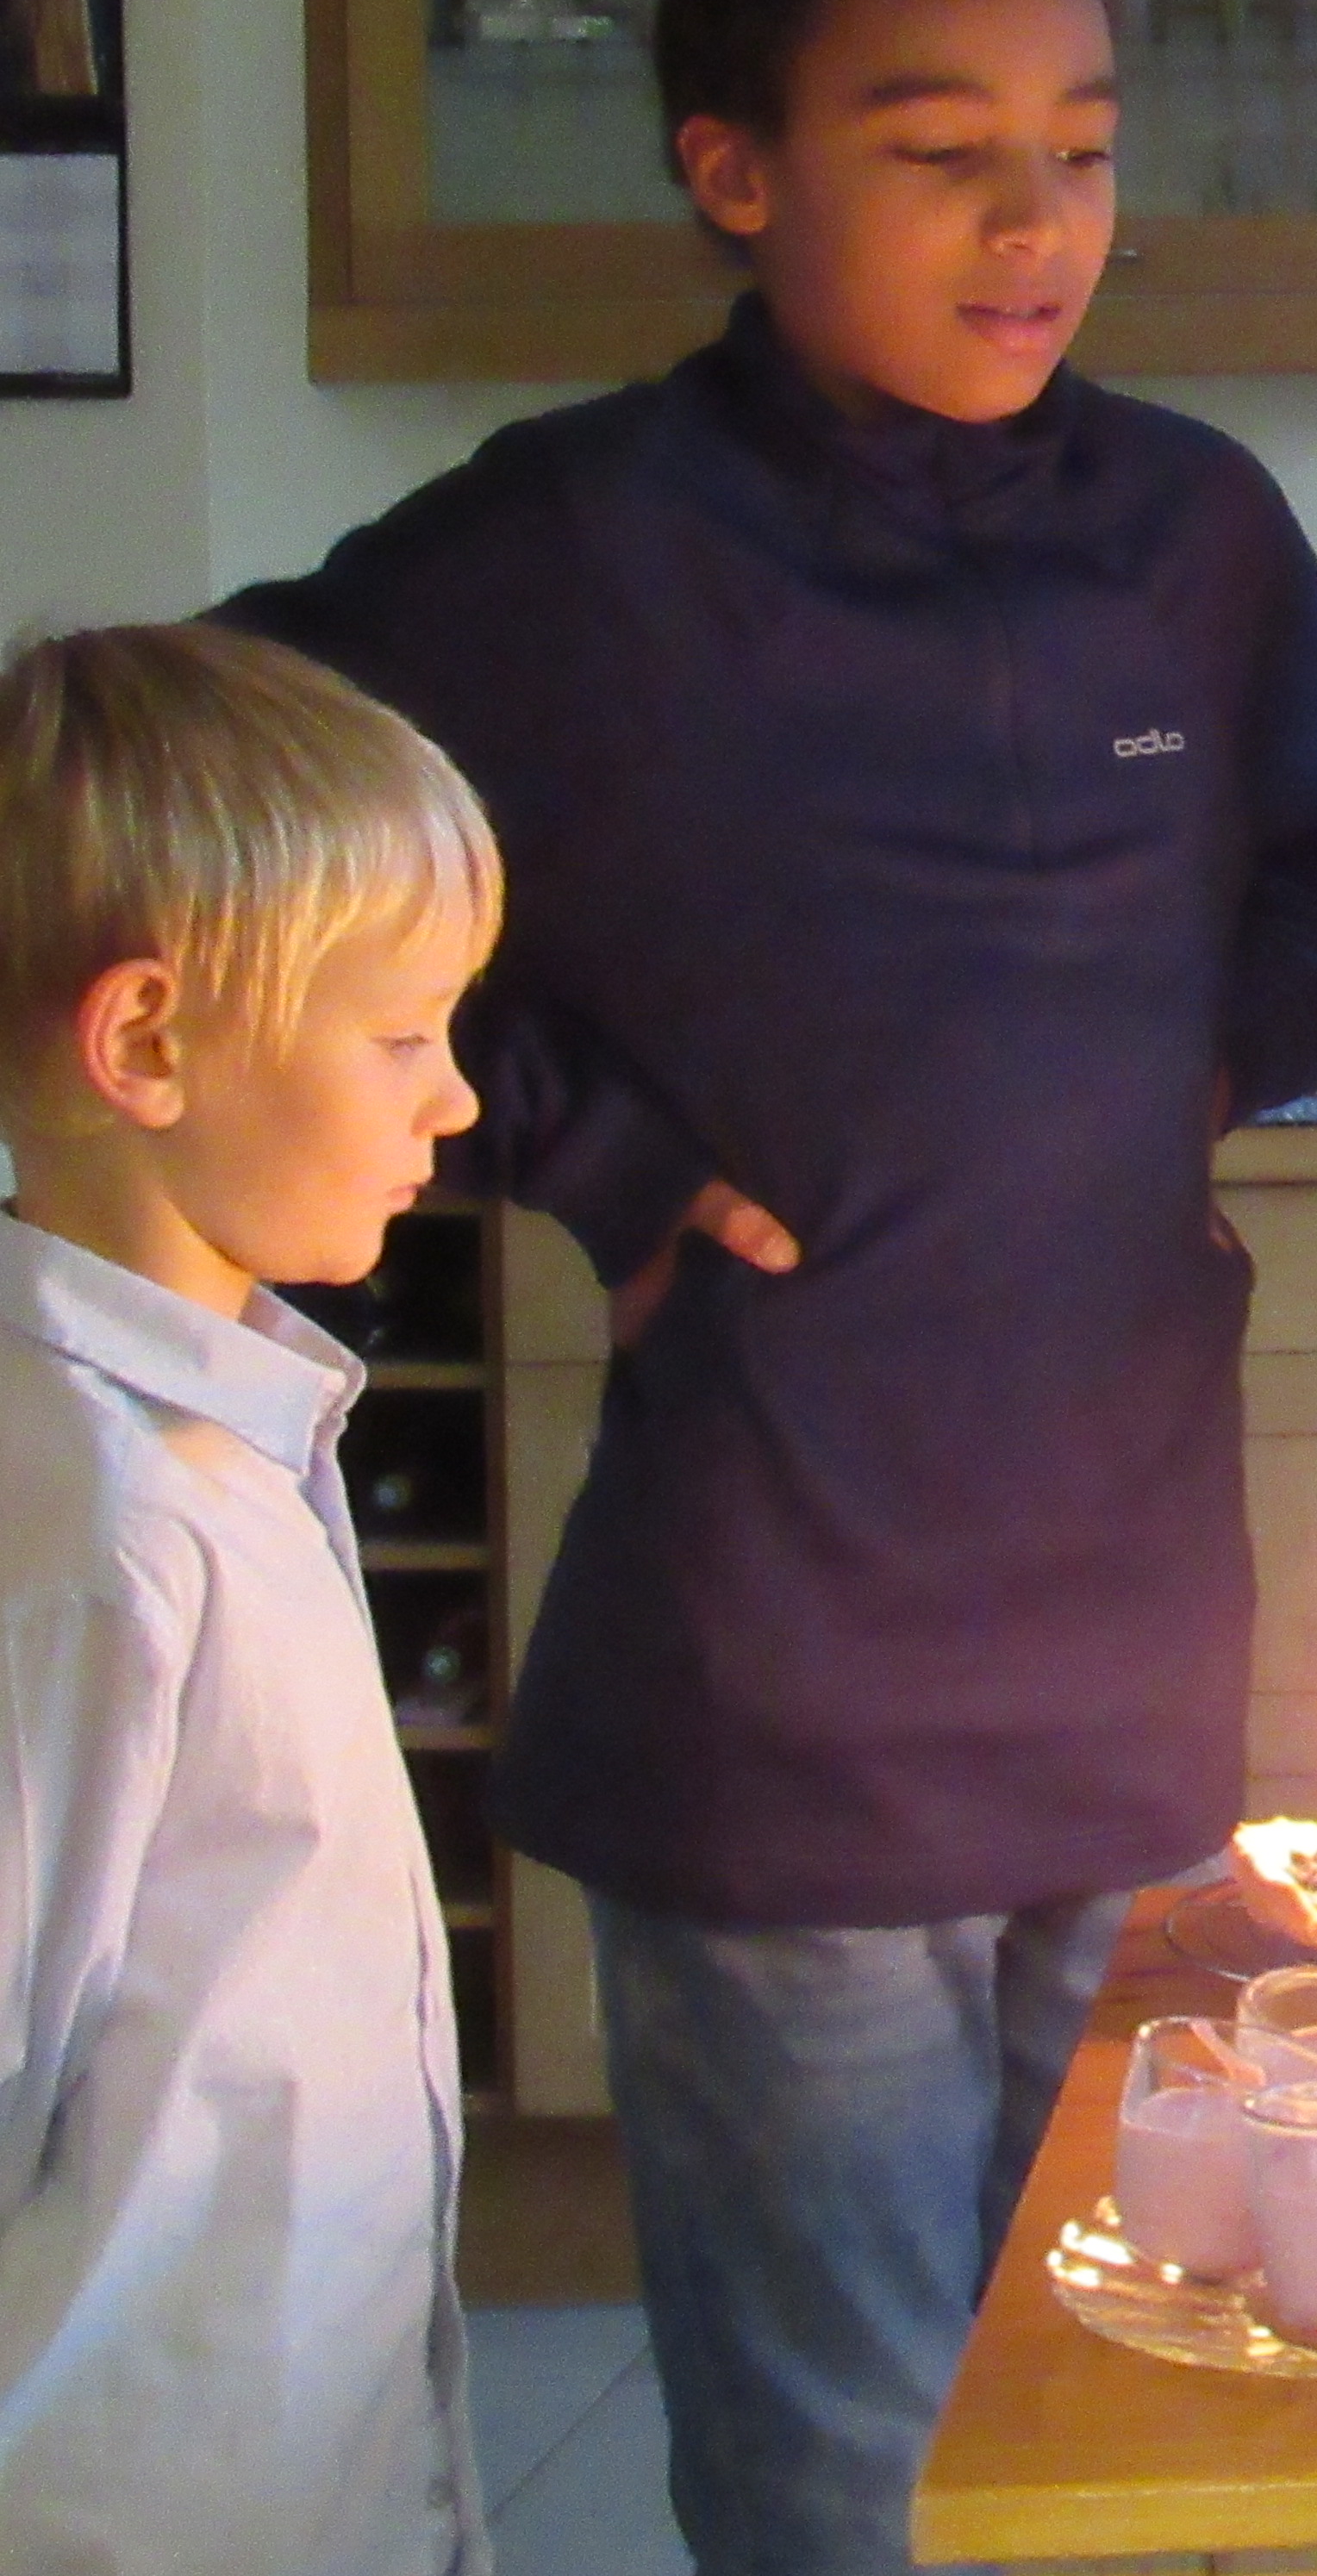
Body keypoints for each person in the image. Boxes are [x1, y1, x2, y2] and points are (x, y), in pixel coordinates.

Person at [227, 0, 1317, 2576]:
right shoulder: (579, 546)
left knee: (1141, 2415)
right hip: (775, 1695)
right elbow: (203, 806)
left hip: (1135, 1670)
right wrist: (581, 1138)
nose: (1034, 223)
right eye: (939, 153)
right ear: (734, 169)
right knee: (851, 2482)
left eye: (1082, 150)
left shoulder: (1188, 531)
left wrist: (1197, 1060)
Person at [0, 621, 501, 2573]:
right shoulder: (92, 1534)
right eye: (402, 1037)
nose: (454, 1101)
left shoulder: (228, 1442)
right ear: (146, 1044)